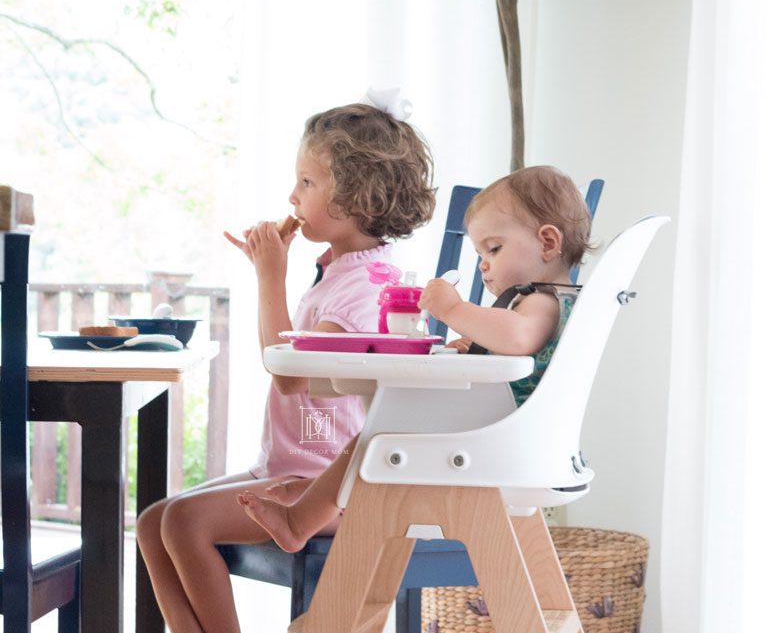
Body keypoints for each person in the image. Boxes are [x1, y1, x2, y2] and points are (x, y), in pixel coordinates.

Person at [136, 100, 435, 633]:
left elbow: (294, 375)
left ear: (354, 197)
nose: (292, 197)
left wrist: (269, 278)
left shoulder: (372, 289)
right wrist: (280, 275)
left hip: (328, 487)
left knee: (182, 521)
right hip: (291, 466)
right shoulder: (341, 271)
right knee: (154, 522)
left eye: (307, 183)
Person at [239, 163, 591, 545]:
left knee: (382, 433)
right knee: (379, 433)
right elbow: (516, 345)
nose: (484, 264)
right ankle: (315, 495)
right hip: (506, 435)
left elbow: (519, 337)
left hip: (498, 441)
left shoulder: (542, 302)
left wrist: (454, 311)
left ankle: (302, 519)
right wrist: (477, 349)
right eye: (479, 254)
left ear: (549, 242)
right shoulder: (552, 302)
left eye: (494, 248)